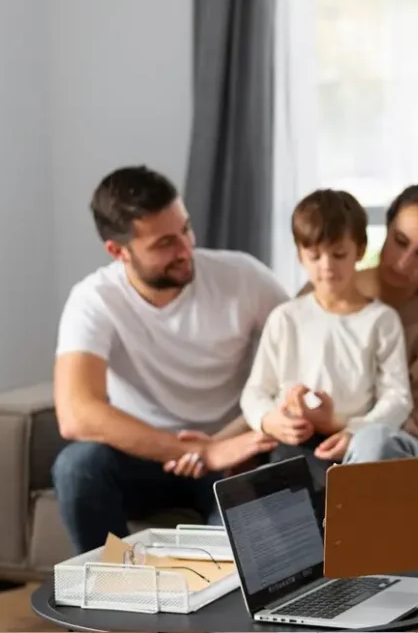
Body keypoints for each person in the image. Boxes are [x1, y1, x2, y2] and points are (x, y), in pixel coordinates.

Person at [52, 165, 288, 553]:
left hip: (232, 455)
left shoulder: (243, 277)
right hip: (144, 458)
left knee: (236, 542)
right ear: (118, 252)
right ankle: (116, 597)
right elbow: (77, 413)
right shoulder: (94, 299)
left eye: (186, 229)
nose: (186, 248)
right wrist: (188, 450)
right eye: (164, 243)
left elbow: (306, 346)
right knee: (78, 467)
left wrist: (225, 443)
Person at [240, 189, 413, 491]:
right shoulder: (286, 317)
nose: (327, 266)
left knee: (352, 489)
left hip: (352, 446)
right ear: (299, 255)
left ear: (359, 250)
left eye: (339, 254)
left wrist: (354, 432)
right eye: (314, 256)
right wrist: (269, 421)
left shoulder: (381, 321)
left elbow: (398, 398)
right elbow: (255, 391)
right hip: (292, 446)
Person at [299, 183, 418, 464]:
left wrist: (342, 425)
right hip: (322, 436)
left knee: (374, 441)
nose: (403, 263)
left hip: (412, 448)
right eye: (400, 241)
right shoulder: (326, 288)